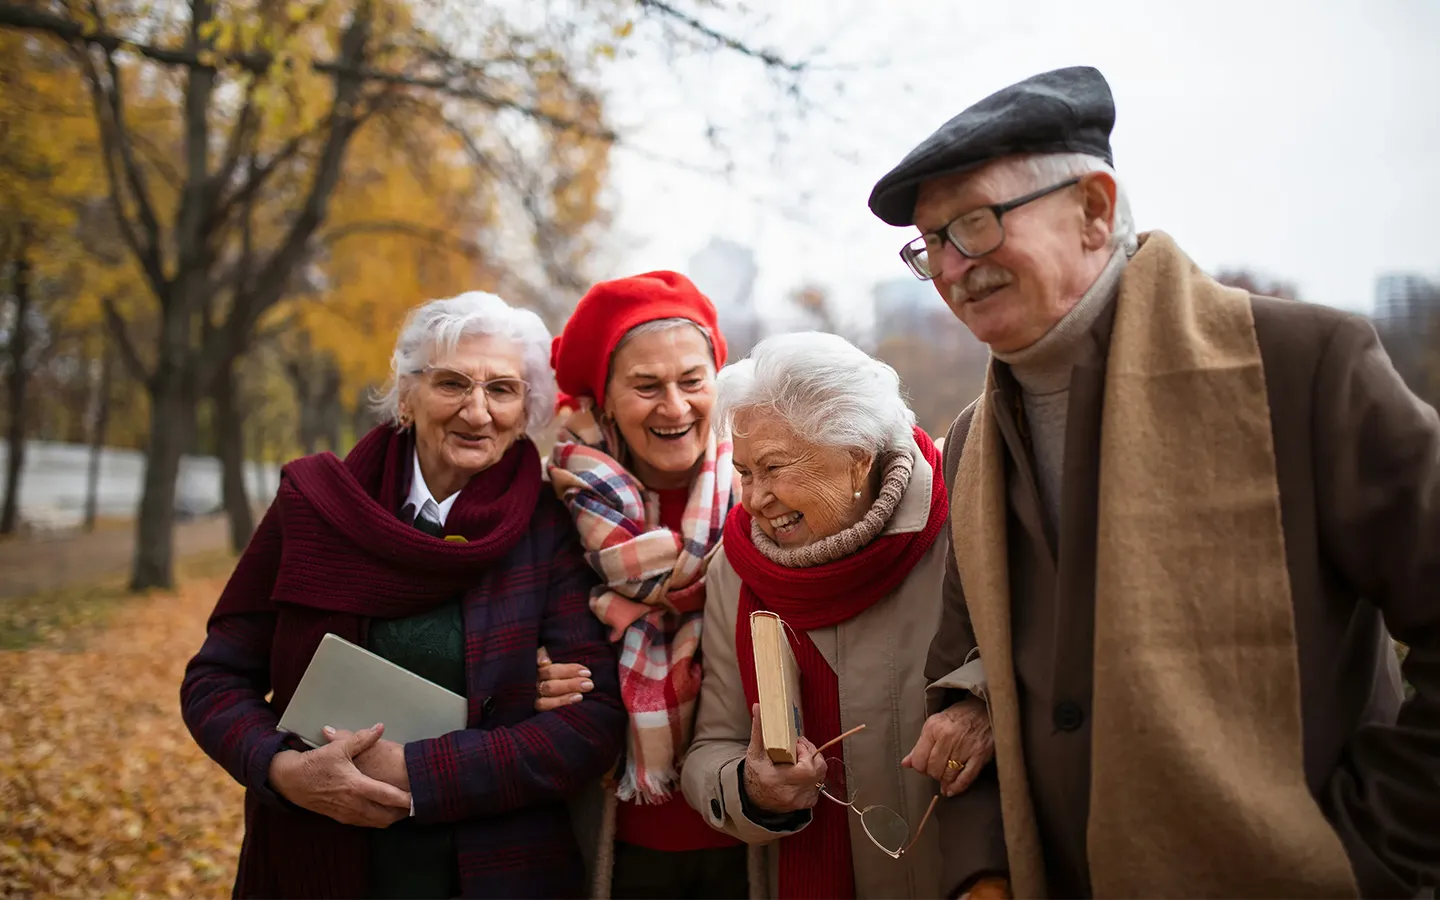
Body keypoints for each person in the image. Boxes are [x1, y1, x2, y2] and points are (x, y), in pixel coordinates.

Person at [868, 65, 1439, 898]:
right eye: (932, 245)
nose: (953, 268)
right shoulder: (970, 445)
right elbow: (963, 677)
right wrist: (984, 868)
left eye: (977, 226)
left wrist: (1366, 858)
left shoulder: (1302, 370)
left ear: (1096, 209)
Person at [180, 292, 627, 899]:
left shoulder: (552, 527)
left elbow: (592, 722)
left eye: (501, 390)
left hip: (499, 871)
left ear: (527, 409)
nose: (477, 412)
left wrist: (423, 774)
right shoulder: (315, 505)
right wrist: (283, 770)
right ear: (407, 394)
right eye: (451, 384)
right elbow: (216, 678)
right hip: (314, 856)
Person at [680, 332, 997, 899]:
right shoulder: (735, 567)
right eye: (745, 472)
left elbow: (1055, 647)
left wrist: (983, 702)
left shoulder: (968, 514)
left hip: (963, 874)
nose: (754, 499)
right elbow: (710, 748)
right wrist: (753, 789)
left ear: (857, 460)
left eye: (774, 468)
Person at [541, 271, 750, 898]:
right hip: (615, 834)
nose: (676, 407)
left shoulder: (768, 486)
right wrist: (525, 672)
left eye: (692, 381)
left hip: (753, 829)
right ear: (603, 400)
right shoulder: (554, 506)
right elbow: (500, 633)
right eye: (646, 387)